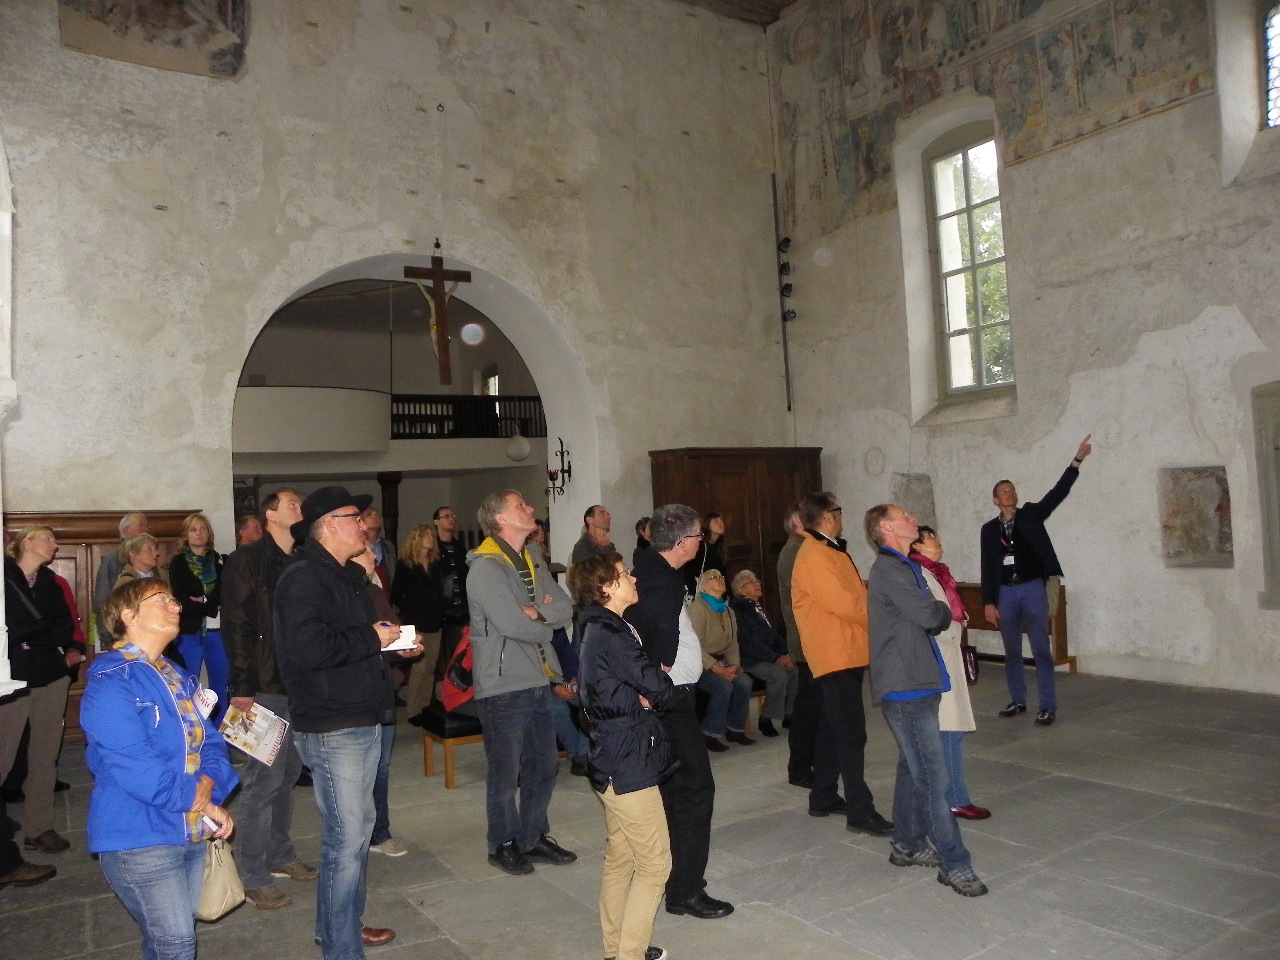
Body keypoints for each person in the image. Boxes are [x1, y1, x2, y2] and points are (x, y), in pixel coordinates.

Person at [274, 486, 407, 957]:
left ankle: (341, 924)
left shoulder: (346, 576)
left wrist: (390, 643)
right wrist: (372, 636)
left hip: (361, 715)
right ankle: (340, 945)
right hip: (333, 724)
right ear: (329, 524)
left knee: (358, 830)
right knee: (346, 839)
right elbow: (310, 650)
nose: (365, 525)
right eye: (355, 516)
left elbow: (355, 641)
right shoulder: (304, 579)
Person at [83, 578, 239, 958]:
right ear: (128, 616)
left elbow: (212, 743)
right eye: (162, 599)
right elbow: (139, 771)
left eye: (175, 599)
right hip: (138, 834)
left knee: (166, 938)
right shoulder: (110, 683)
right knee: (177, 942)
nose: (177, 605)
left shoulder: (175, 674)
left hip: (188, 829)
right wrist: (204, 801)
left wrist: (210, 784)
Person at [866, 504, 988, 897]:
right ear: (887, 528)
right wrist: (939, 607)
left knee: (912, 765)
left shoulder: (903, 567)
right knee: (934, 778)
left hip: (918, 678)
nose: (912, 520)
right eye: (903, 516)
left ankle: (907, 844)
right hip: (906, 686)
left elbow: (933, 612)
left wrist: (935, 608)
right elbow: (934, 615)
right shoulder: (891, 570)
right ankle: (955, 862)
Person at [625, 503, 733, 920]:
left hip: (668, 697)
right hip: (668, 701)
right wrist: (660, 674)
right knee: (694, 789)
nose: (701, 542)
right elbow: (648, 640)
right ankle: (686, 890)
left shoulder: (657, 570)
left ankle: (673, 882)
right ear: (684, 541)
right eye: (699, 535)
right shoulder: (657, 579)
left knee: (676, 792)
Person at [570, 553, 676, 960]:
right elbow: (657, 687)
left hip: (611, 753)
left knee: (622, 858)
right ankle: (628, 955)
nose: (633, 577)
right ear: (607, 587)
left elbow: (608, 689)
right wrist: (652, 689)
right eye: (623, 574)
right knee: (655, 865)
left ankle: (616, 950)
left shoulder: (598, 627)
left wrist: (640, 693)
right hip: (627, 759)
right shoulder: (611, 633)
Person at [466, 490, 577, 876]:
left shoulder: (533, 559)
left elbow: (566, 606)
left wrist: (537, 612)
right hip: (502, 683)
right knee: (505, 772)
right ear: (501, 520)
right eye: (520, 506)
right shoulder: (485, 569)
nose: (530, 509)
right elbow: (511, 624)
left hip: (538, 676)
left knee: (544, 765)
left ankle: (532, 836)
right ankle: (502, 843)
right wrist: (544, 624)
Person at [223, 488, 318, 910]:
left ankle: (280, 853)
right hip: (262, 683)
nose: (301, 509)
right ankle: (252, 873)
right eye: (293, 504)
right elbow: (237, 624)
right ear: (270, 515)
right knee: (263, 780)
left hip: (297, 683)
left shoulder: (301, 558)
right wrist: (242, 685)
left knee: (289, 772)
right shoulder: (246, 559)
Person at [791, 492, 893, 834]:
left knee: (831, 729)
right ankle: (860, 812)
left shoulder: (829, 549)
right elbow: (845, 604)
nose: (841, 516)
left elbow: (854, 596)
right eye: (838, 510)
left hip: (844, 651)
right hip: (834, 654)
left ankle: (822, 796)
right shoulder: (815, 554)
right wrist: (883, 616)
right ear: (827, 516)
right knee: (851, 734)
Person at [981, 435, 1092, 726]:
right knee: (1012, 652)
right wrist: (989, 602)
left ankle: (1047, 706)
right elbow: (987, 566)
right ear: (996, 500)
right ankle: (1018, 700)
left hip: (1032, 589)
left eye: (1012, 489)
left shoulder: (1031, 514)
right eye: (1004, 491)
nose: (1010, 493)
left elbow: (1057, 493)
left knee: (1041, 650)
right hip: (1006, 593)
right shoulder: (989, 530)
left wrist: (1076, 461)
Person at [1, 526, 82, 854]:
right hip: (12, 678)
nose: (55, 544)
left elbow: (64, 629)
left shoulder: (51, 582)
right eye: (48, 538)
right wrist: (36, 632)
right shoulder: (4, 578)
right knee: (4, 755)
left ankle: (39, 827)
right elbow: (8, 628)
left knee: (45, 755)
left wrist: (29, 635)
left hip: (51, 674)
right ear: (26, 542)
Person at [910, 526, 989, 820]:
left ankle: (949, 796)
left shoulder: (937, 573)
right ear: (917, 546)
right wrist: (956, 628)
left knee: (950, 728)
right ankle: (954, 799)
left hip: (946, 652)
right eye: (931, 537)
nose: (939, 540)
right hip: (938, 656)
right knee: (950, 729)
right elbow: (932, 618)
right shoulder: (920, 574)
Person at [354, 548, 414, 859]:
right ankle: (354, 833)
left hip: (382, 687)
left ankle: (380, 832)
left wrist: (406, 645)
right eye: (365, 551)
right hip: (354, 694)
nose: (373, 557)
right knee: (355, 771)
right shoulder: (337, 595)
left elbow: (394, 632)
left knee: (381, 767)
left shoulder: (375, 592)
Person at [169, 513, 228, 725]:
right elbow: (182, 600)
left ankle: (220, 736)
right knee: (188, 686)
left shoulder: (220, 561)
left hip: (217, 631)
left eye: (203, 529)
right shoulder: (178, 563)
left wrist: (201, 601)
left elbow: (224, 595)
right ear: (186, 535)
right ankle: (192, 734)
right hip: (189, 632)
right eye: (193, 529)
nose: (199, 533)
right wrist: (209, 603)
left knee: (220, 687)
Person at [689, 569, 754, 751]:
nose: (721, 579)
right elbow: (694, 644)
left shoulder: (728, 610)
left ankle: (735, 729)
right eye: (715, 577)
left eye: (722, 576)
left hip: (722, 662)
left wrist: (734, 665)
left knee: (744, 682)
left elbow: (732, 643)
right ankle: (710, 733)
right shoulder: (698, 609)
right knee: (723, 686)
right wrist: (714, 667)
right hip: (700, 663)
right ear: (704, 585)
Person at [729, 568, 797, 739]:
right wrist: (776, 658)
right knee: (778, 674)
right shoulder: (738, 610)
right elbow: (749, 643)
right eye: (751, 582)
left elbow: (774, 636)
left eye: (757, 581)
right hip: (750, 660)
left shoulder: (757, 607)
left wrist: (786, 654)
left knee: (795, 669)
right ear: (740, 590)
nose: (757, 584)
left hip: (767, 656)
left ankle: (790, 715)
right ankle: (766, 718)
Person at [778, 503, 817, 788]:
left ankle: (808, 762)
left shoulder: (804, 548)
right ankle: (800, 767)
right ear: (796, 521)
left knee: (812, 705)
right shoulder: (794, 551)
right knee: (807, 707)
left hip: (809, 637)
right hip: (805, 639)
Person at [392, 524, 446, 725]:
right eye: (426, 534)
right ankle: (413, 710)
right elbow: (397, 593)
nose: (431, 537)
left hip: (435, 620)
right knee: (419, 667)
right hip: (416, 621)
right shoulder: (406, 564)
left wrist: (442, 607)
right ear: (417, 538)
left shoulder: (436, 563)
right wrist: (411, 607)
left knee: (430, 667)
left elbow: (443, 589)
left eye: (432, 534)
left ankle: (425, 706)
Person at [93, 512, 148, 639]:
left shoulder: (152, 560)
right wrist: (108, 637)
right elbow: (103, 602)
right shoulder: (112, 560)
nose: (146, 530)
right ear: (127, 530)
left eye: (147, 526)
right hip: (122, 634)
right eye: (141, 526)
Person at [433, 506, 470, 670]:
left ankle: (454, 682)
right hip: (438, 610)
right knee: (433, 657)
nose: (451, 519)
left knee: (459, 653)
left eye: (453, 516)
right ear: (436, 522)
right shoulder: (432, 548)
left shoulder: (459, 548)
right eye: (446, 516)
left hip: (459, 609)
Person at [682, 512, 725, 595]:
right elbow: (691, 572)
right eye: (716, 521)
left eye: (721, 520)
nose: (720, 523)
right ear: (707, 524)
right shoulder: (701, 546)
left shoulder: (720, 546)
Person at [360, 507, 396, 604]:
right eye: (369, 515)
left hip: (387, 599)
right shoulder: (357, 546)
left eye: (376, 515)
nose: (374, 517)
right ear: (361, 521)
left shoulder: (388, 546)